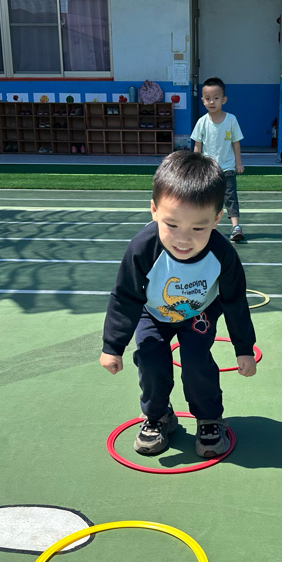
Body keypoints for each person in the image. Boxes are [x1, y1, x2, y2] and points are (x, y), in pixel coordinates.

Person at [100, 151, 257, 458]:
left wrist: (244, 348)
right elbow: (125, 296)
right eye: (171, 224)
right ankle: (158, 415)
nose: (183, 239)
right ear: (154, 210)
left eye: (198, 228)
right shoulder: (142, 248)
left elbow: (235, 301)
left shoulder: (223, 255)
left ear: (216, 219)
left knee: (197, 361)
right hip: (153, 313)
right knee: (150, 359)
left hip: (199, 314)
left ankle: (209, 418)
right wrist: (112, 346)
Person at [191, 77, 246, 242]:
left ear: (224, 100)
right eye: (207, 98)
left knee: (230, 196)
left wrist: (238, 163)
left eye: (216, 98)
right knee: (208, 199)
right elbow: (197, 146)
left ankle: (236, 227)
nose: (211, 102)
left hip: (227, 168)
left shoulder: (231, 120)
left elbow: (236, 143)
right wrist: (196, 165)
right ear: (203, 101)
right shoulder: (202, 122)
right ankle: (206, 227)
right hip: (209, 169)